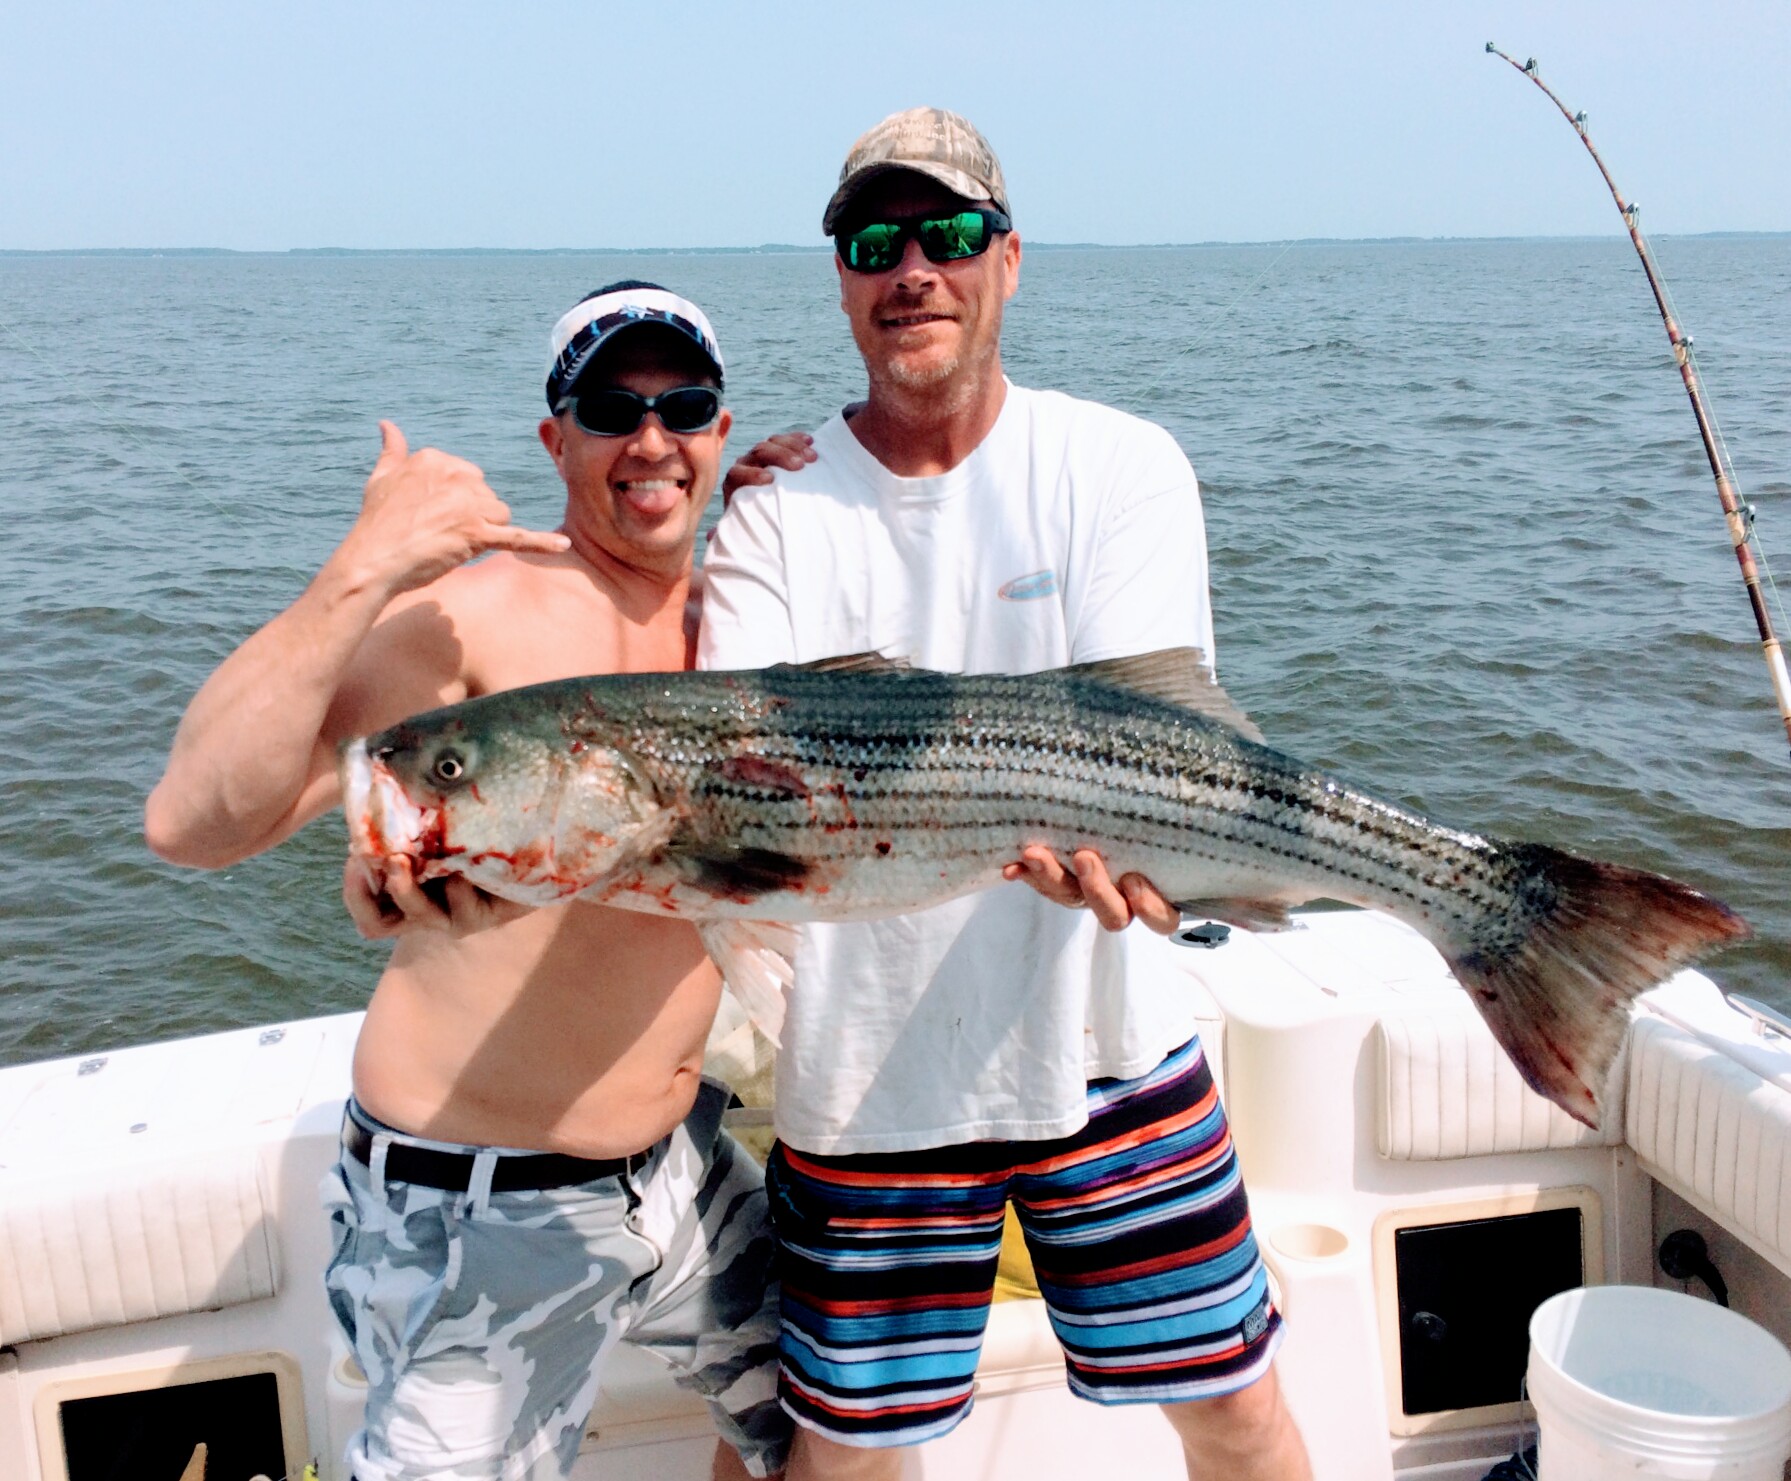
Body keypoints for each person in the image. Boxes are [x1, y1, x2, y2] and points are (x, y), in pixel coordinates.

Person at [700, 110, 1313, 1481]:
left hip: (1108, 1040)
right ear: (843, 282)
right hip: (866, 1079)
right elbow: (742, 781)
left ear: (1009, 260)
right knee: (846, 1456)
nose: (909, 266)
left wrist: (1142, 844)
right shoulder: (772, 513)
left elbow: (1143, 732)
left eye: (948, 233)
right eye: (873, 242)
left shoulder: (1117, 465)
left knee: (1235, 1406)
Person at [144, 283, 810, 1481]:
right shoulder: (470, 619)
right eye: (613, 408)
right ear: (556, 438)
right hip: (481, 1212)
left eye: (687, 405)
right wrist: (364, 566)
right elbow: (193, 821)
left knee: (824, 1423)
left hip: (682, 1173)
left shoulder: (739, 615)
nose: (652, 439)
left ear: (721, 428)